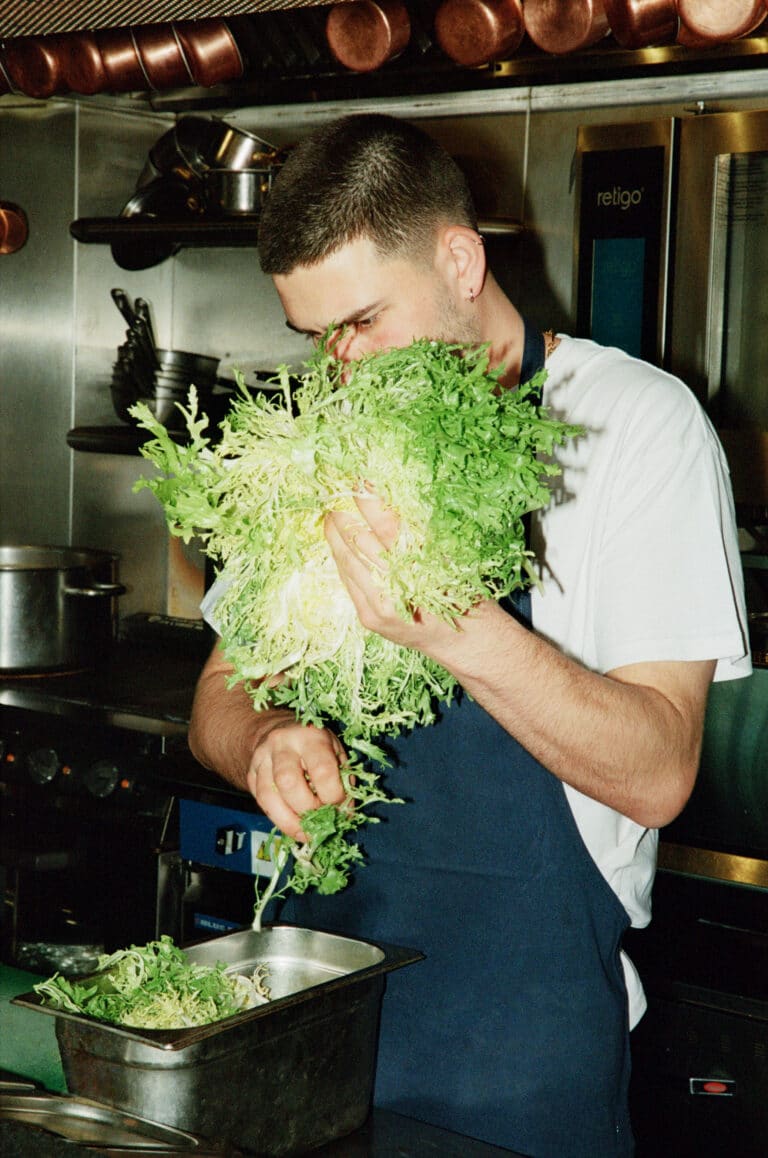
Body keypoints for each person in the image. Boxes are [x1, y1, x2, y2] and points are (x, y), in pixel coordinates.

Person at [188, 114, 749, 1157]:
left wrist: (451, 628)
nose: (342, 373)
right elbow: (220, 691)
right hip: (317, 1031)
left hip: (523, 1055)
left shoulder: (637, 427)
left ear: (459, 259)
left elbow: (658, 770)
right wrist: (263, 736)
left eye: (360, 321)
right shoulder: (331, 442)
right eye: (318, 340)